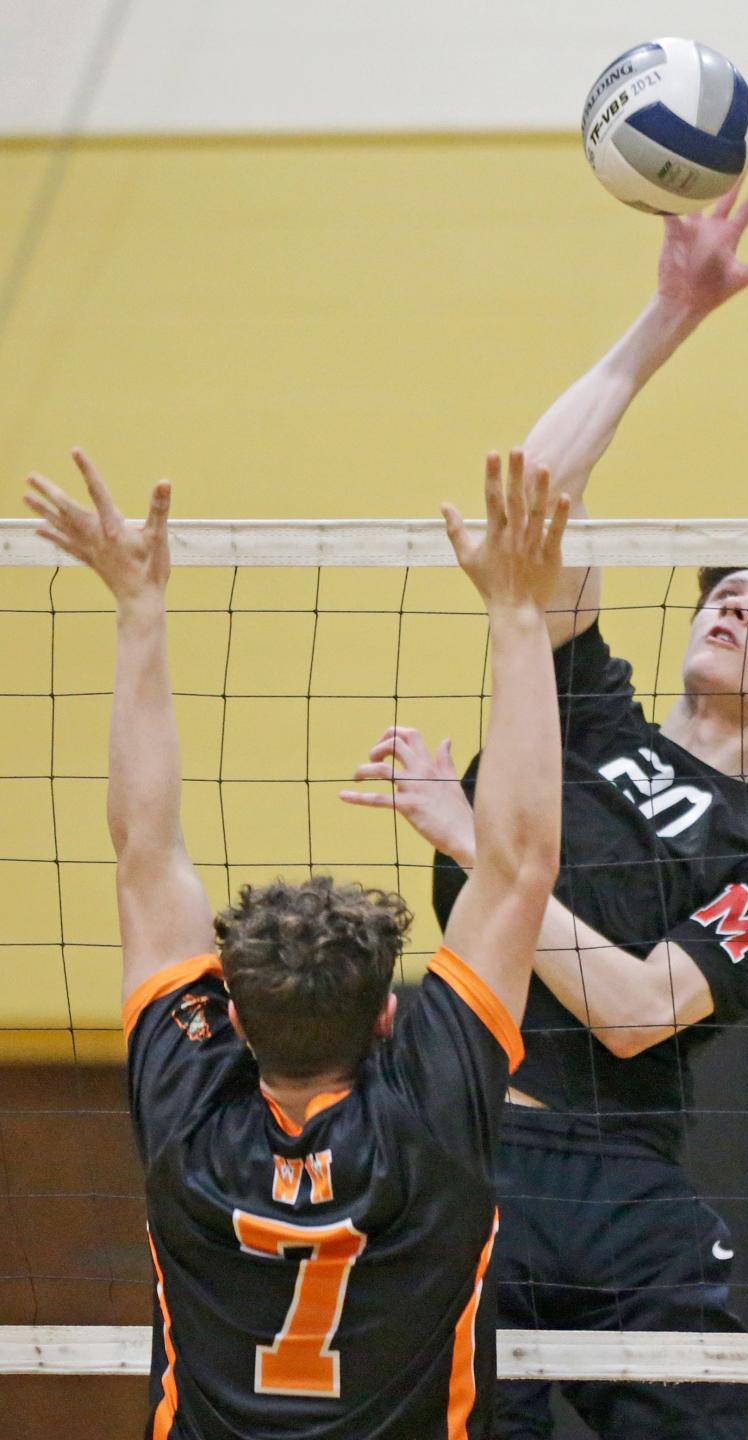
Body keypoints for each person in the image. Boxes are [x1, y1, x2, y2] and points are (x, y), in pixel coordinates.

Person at [341, 175, 748, 1439]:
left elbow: (643, 1011)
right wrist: (667, 319)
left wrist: (487, 856)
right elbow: (527, 503)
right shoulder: (588, 715)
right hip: (455, 1144)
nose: (728, 601)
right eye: (724, 586)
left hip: (614, 1175)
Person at [24, 446, 569, 1440]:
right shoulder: (431, 1108)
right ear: (390, 1019)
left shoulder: (188, 1106)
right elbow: (523, 863)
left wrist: (138, 610)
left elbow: (146, 855)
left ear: (231, 1017)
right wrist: (519, 613)